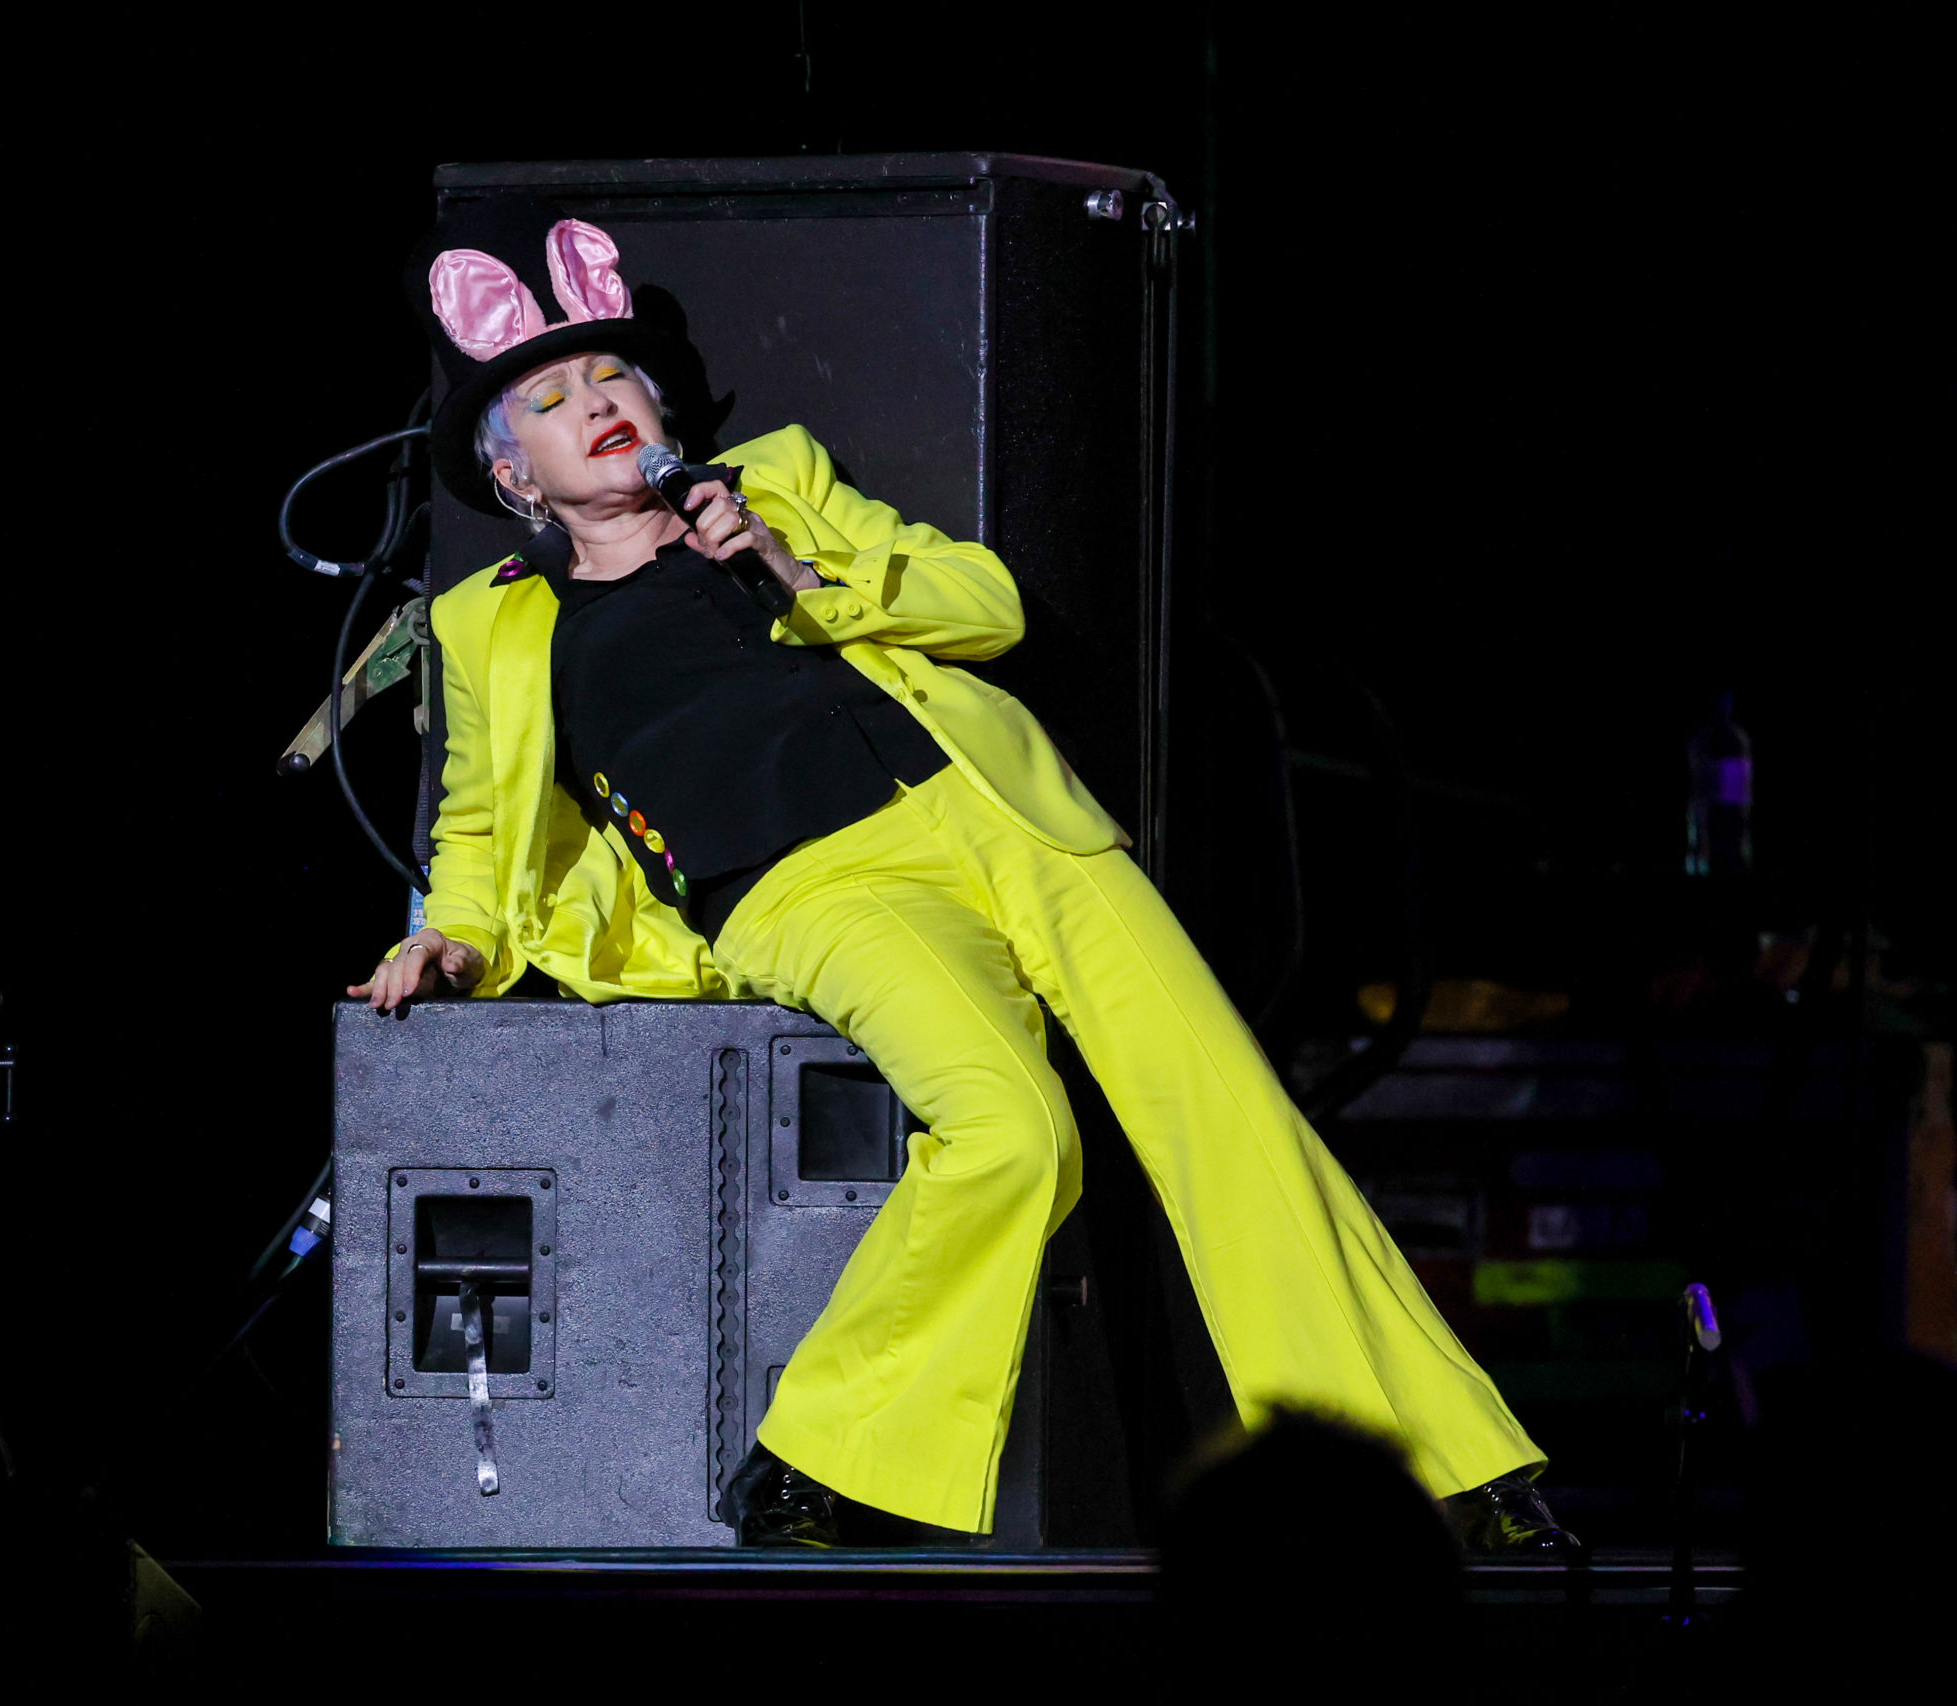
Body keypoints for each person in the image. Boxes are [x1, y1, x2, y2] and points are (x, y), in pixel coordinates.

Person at [348, 201, 1577, 1554]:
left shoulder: (775, 484)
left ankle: (1447, 1476)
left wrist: (797, 568)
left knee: (1230, 1113)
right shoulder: (492, 625)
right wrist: (456, 942)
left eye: (612, 377)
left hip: (996, 810)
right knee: (1011, 1130)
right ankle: (822, 1455)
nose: (596, 403)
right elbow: (481, 828)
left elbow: (987, 605)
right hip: (811, 886)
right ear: (511, 472)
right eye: (551, 397)